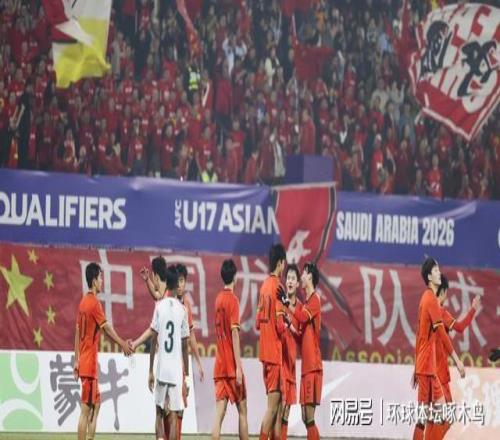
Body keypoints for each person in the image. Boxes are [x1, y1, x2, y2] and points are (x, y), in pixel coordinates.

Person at [74, 263, 132, 440]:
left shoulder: (83, 302)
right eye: (100, 277)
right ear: (93, 280)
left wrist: (76, 360)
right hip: (89, 365)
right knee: (85, 410)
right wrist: (122, 343)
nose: (102, 281)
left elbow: (77, 332)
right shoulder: (94, 303)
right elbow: (106, 328)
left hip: (85, 362)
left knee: (96, 404)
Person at [131, 264, 190, 440]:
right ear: (176, 284)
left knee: (158, 413)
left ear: (166, 283)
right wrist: (186, 376)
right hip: (176, 372)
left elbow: (153, 337)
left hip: (162, 368)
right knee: (173, 418)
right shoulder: (183, 310)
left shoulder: (160, 306)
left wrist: (150, 369)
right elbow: (185, 346)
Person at [412, 258, 465, 440]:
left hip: (427, 368)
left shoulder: (427, 298)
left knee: (438, 416)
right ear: (429, 277)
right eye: (435, 270)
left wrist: (416, 367)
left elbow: (419, 336)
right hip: (427, 368)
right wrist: (457, 361)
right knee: (428, 418)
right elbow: (442, 333)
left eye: (438, 269)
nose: (439, 272)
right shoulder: (430, 300)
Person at [281, 263, 322, 440]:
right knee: (306, 417)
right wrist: (289, 325)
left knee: (309, 417)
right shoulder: (306, 303)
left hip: (313, 366)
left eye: (303, 274)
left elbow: (303, 317)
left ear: (310, 277)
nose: (301, 277)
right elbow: (300, 337)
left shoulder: (314, 300)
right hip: (306, 367)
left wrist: (287, 304)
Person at [435, 274, 480, 436]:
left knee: (443, 417)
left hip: (433, 371)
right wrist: (473, 309)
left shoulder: (426, 311)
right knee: (444, 417)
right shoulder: (440, 312)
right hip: (438, 374)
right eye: (446, 292)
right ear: (442, 291)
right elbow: (460, 327)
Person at [212, 259, 249, 440]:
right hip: (231, 367)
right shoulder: (233, 300)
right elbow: (234, 333)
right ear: (235, 277)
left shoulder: (218, 299)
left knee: (219, 415)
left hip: (219, 366)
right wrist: (238, 367)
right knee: (242, 411)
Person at [256, 244, 287, 439]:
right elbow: (280, 326)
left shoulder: (264, 286)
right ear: (281, 263)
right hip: (274, 355)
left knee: (277, 406)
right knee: (272, 409)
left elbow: (257, 323)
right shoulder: (278, 288)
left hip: (264, 354)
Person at [174, 263, 205, 439]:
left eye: (182, 281)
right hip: (168, 363)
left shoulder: (186, 306)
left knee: (180, 407)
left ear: (185, 282)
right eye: (177, 281)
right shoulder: (167, 303)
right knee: (165, 409)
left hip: (181, 365)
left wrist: (198, 362)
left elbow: (191, 335)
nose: (179, 285)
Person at [277, 264, 301, 440]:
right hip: (280, 362)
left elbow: (300, 335)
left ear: (298, 283)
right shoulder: (280, 303)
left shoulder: (300, 308)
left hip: (291, 363)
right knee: (278, 408)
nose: (290, 281)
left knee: (286, 411)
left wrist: (290, 325)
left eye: (293, 278)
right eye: (288, 278)